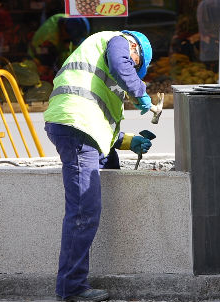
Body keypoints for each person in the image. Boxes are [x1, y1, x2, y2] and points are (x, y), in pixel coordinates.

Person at [43, 30, 154, 301]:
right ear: (135, 49)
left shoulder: (98, 70)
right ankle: (71, 288)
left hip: (77, 128)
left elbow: (100, 122)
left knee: (87, 204)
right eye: (136, 64)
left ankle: (72, 284)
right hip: (76, 127)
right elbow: (120, 63)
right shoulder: (117, 40)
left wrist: (130, 142)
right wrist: (139, 90)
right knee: (83, 211)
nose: (131, 67)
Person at [28, 13, 90, 82]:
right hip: (38, 59)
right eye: (70, 38)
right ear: (64, 30)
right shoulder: (48, 40)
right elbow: (47, 67)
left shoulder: (67, 20)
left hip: (55, 51)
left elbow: (74, 51)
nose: (70, 42)